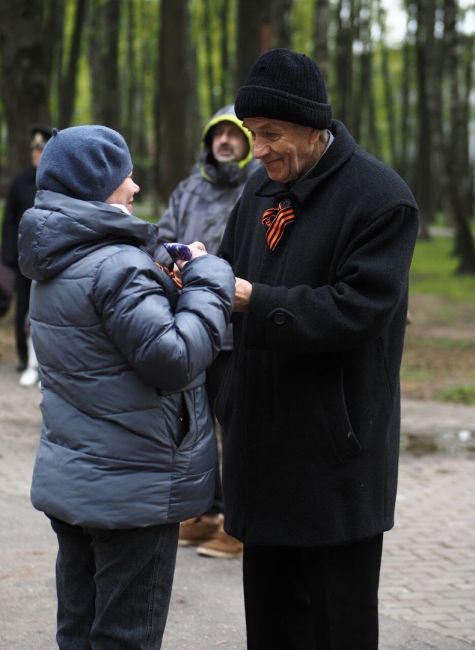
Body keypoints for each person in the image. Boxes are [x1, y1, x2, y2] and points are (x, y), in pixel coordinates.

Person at [216, 49, 419, 650]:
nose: (260, 149)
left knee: (337, 626)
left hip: (336, 456)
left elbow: (359, 310)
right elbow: (229, 271)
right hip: (263, 446)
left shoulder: (380, 198)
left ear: (313, 127)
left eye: (272, 134)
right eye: (253, 134)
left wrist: (256, 299)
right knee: (273, 624)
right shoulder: (259, 190)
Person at [17, 125, 235, 649]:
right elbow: (175, 359)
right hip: (131, 492)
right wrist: (208, 278)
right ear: (98, 184)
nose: (135, 188)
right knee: (124, 638)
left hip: (76, 483)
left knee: (78, 631)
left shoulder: (53, 261)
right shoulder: (116, 265)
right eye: (125, 176)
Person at [155, 105, 259, 559]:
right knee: (197, 426)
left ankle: (240, 522)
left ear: (247, 142)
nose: (225, 141)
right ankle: (209, 513)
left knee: (236, 428)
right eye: (218, 134)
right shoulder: (188, 189)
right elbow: (163, 238)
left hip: (239, 327)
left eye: (234, 134)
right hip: (194, 329)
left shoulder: (260, 188)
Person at [1, 126, 50, 383]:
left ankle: (44, 362)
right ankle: (24, 359)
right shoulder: (21, 181)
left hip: (51, 258)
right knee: (23, 310)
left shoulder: (57, 182)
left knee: (47, 310)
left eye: (41, 149)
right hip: (23, 257)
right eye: (34, 149)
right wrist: (8, 255)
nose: (36, 153)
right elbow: (9, 221)